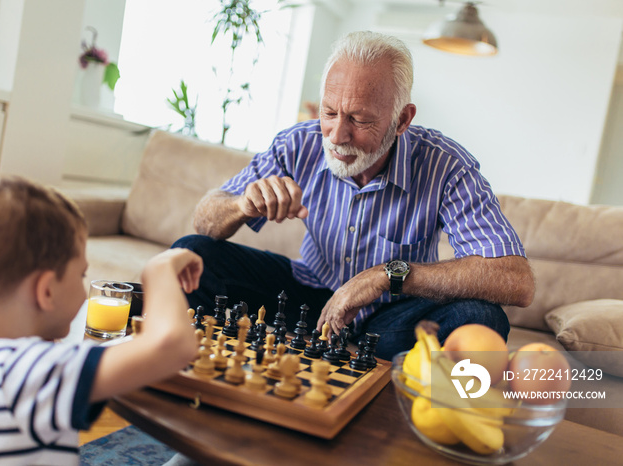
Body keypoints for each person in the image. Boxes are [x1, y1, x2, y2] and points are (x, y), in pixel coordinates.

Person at [173, 31, 535, 361]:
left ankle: (413, 406)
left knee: (481, 320)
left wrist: (387, 276)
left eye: (360, 120)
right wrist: (241, 205)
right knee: (191, 254)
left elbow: (517, 280)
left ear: (402, 120)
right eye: (330, 113)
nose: (337, 135)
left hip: (394, 313)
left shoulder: (447, 167)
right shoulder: (297, 143)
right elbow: (205, 221)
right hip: (308, 293)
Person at [0, 173, 201, 465]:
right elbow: (175, 345)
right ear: (45, 291)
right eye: (81, 275)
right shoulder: (31, 371)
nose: (84, 292)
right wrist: (159, 271)